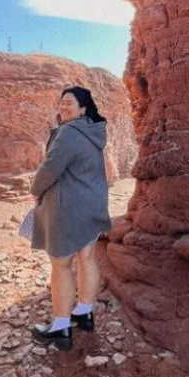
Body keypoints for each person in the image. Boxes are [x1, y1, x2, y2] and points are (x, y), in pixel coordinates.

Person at [28, 86, 114, 351]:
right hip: (93, 204)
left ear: (83, 108)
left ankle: (61, 328)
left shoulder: (68, 133)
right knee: (87, 258)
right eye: (61, 102)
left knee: (61, 265)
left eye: (69, 103)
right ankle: (84, 313)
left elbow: (50, 168)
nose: (63, 107)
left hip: (68, 209)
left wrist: (35, 190)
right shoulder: (93, 132)